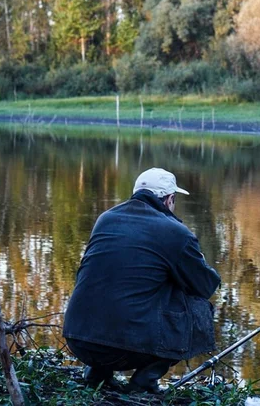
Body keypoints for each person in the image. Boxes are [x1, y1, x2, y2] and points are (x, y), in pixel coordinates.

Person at [63, 167, 221, 394]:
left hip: (78, 339)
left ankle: (97, 373)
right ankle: (144, 382)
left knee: (120, 288)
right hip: (122, 348)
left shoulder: (105, 219)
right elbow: (204, 286)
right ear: (170, 199)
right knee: (198, 308)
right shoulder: (176, 232)